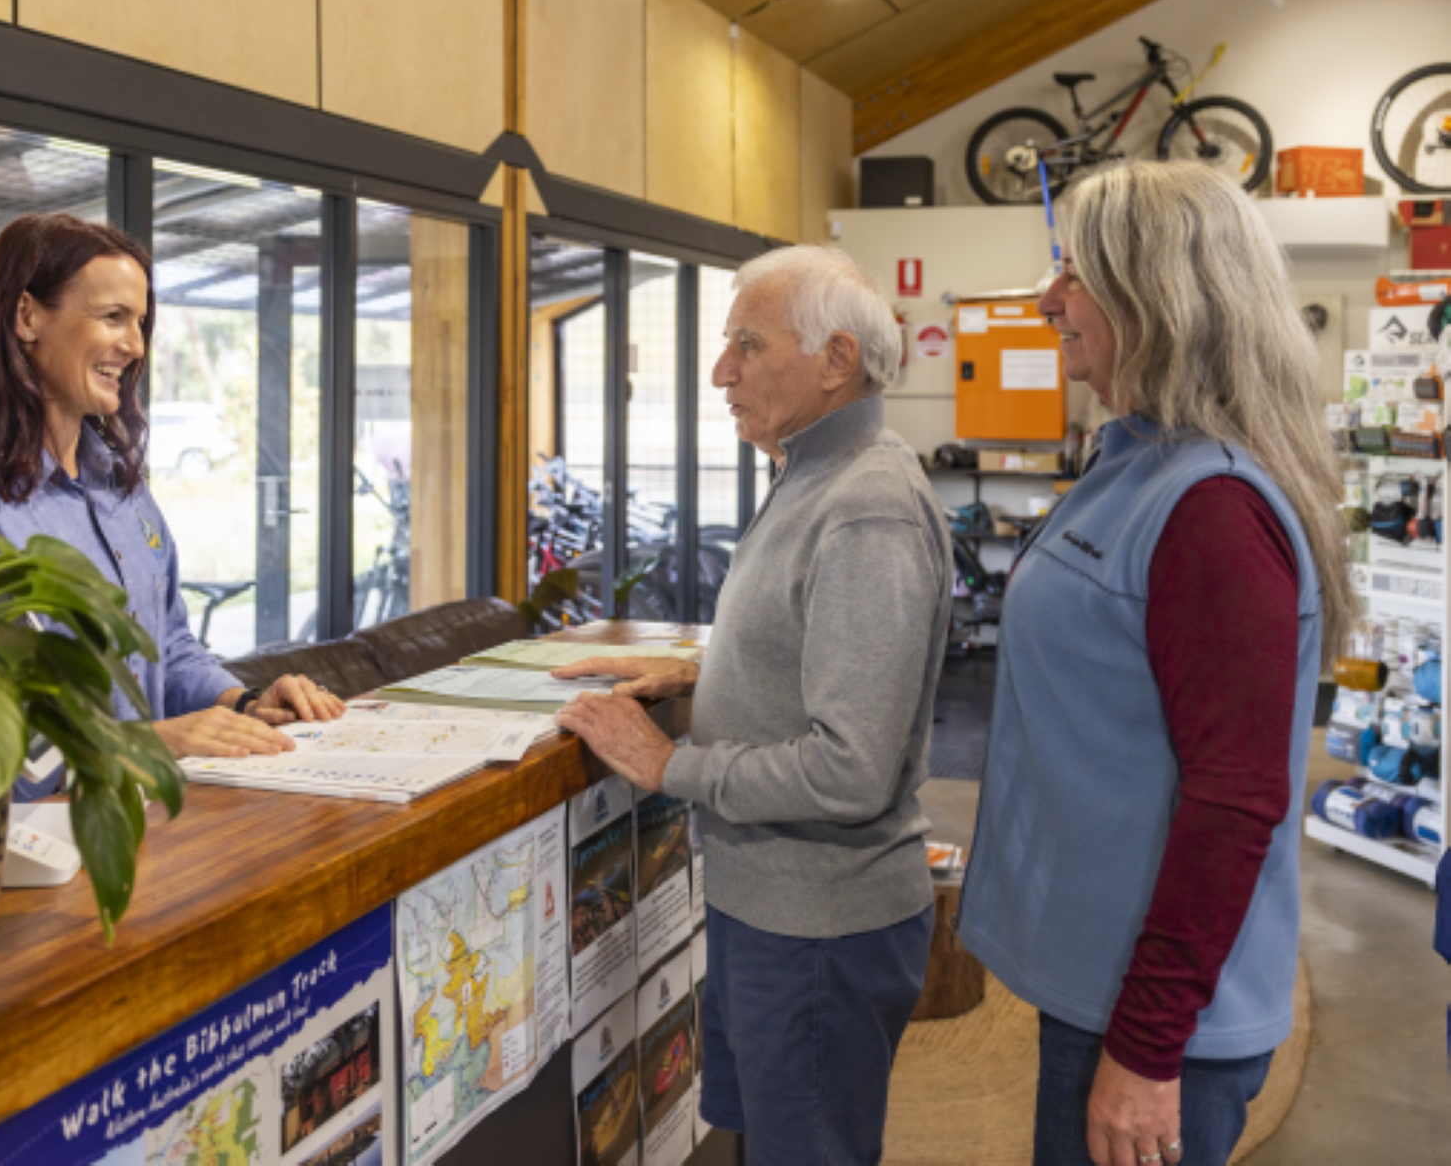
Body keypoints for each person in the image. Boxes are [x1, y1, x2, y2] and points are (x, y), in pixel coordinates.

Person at [957, 161, 1355, 1166]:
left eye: (1074, 273)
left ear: (1159, 297)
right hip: (1097, 976)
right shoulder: (1134, 460)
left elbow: (1235, 798)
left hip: (1150, 1016)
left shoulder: (1211, 508)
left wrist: (1146, 1047)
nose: (1047, 300)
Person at [553, 245, 952, 1164]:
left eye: (747, 344)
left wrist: (669, 765)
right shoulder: (811, 472)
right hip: (773, 912)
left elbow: (849, 770)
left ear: (835, 360)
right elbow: (816, 649)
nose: (719, 373)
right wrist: (703, 679)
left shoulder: (864, 505)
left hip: (819, 928)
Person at [0, 214, 344, 799]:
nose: (135, 345)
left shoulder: (122, 488)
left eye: (139, 322)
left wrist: (244, 704)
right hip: (31, 844)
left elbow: (170, 648)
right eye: (112, 317)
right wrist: (151, 743)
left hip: (150, 828)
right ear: (26, 317)